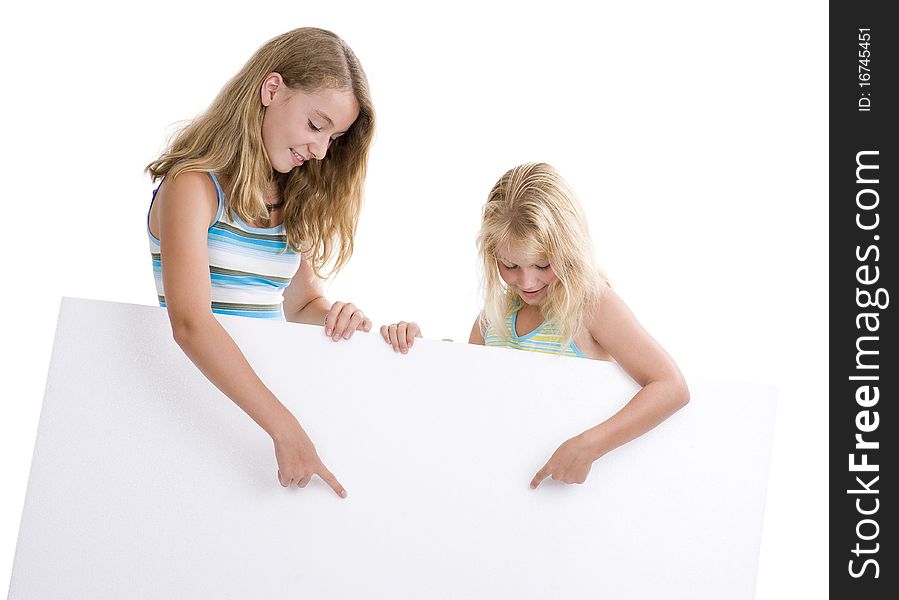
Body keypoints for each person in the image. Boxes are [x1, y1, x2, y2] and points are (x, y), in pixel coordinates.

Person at [146, 27, 376, 498]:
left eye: (332, 138)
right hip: (204, 410)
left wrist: (333, 316)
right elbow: (190, 323)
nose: (319, 150)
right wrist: (284, 428)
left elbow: (301, 303)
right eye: (316, 125)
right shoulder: (193, 187)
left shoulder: (293, 197)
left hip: (267, 418)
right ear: (272, 90)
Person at [380, 162, 689, 488]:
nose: (527, 282)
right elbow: (469, 408)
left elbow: (671, 387)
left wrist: (588, 447)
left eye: (543, 264)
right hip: (500, 488)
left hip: (566, 499)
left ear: (570, 249)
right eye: (510, 265)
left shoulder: (591, 306)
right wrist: (425, 356)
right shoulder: (491, 319)